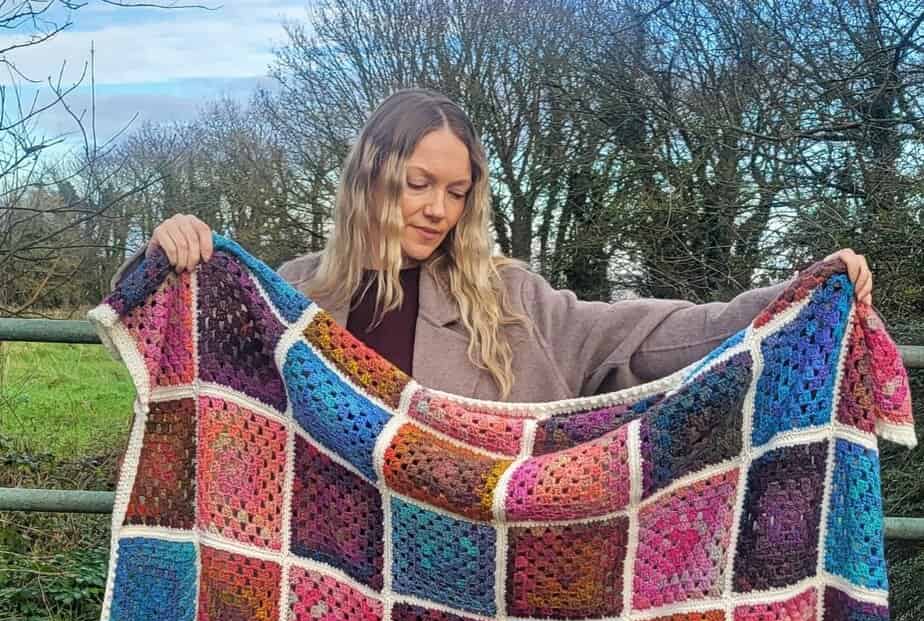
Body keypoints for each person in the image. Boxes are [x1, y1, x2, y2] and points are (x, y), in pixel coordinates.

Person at [114, 87, 874, 403]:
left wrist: (787, 297)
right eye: (420, 184)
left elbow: (642, 338)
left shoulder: (506, 297)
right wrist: (174, 254)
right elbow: (193, 374)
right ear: (371, 178)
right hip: (334, 593)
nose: (438, 209)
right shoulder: (294, 294)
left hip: (483, 593)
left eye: (457, 190)